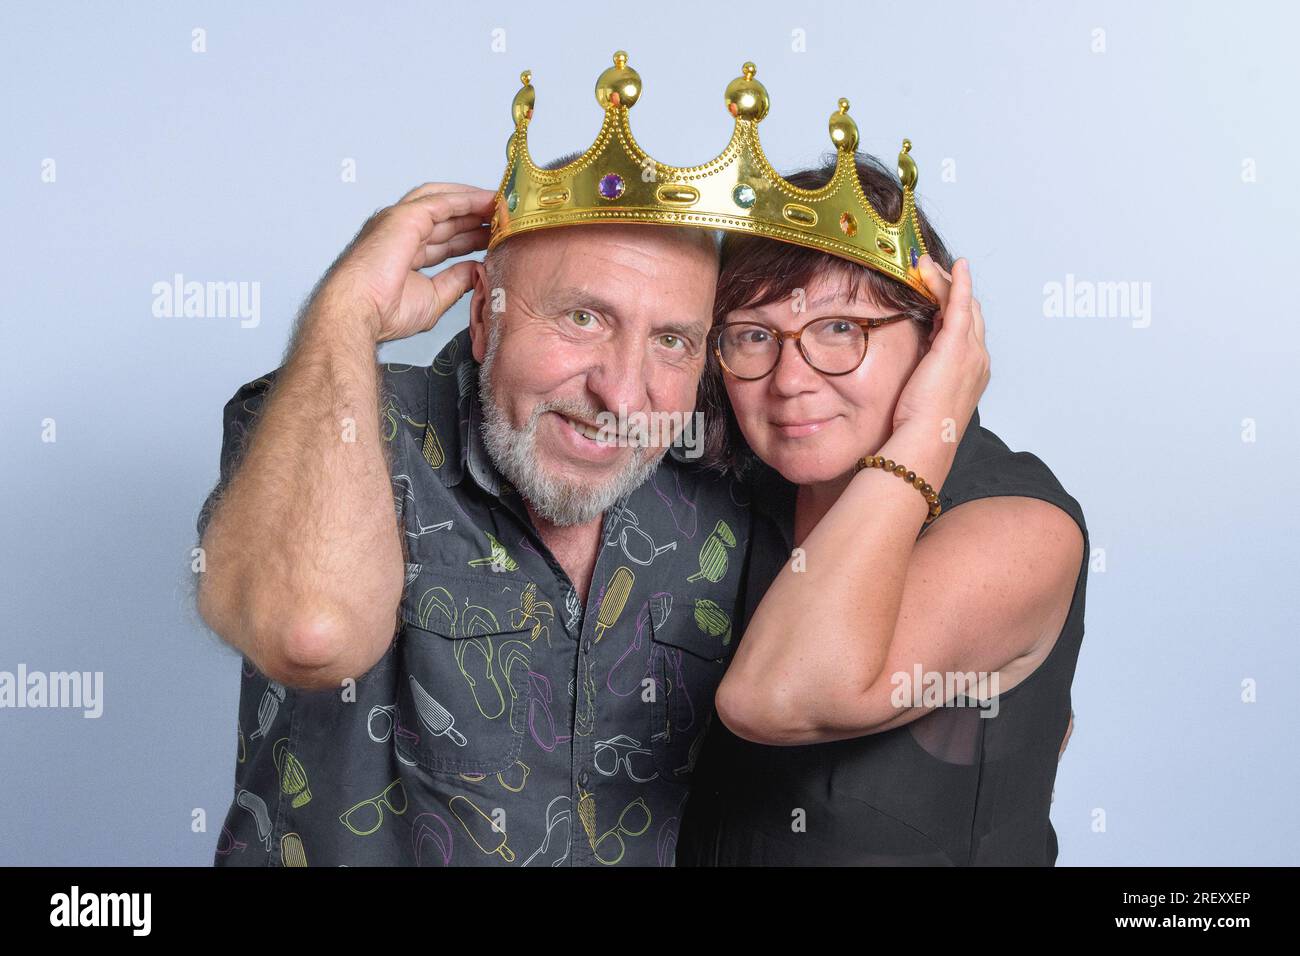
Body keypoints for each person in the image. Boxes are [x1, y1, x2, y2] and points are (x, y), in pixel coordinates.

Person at [194, 178, 756, 866]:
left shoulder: (718, 493)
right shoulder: (334, 426)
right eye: (584, 318)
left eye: (671, 340)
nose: (619, 392)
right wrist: (347, 310)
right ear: (485, 317)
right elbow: (310, 632)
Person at [676, 154, 1090, 866]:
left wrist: (934, 426)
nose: (791, 381)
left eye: (842, 330)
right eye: (752, 335)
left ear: (938, 341)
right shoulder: (728, 496)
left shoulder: (1024, 528)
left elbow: (775, 697)